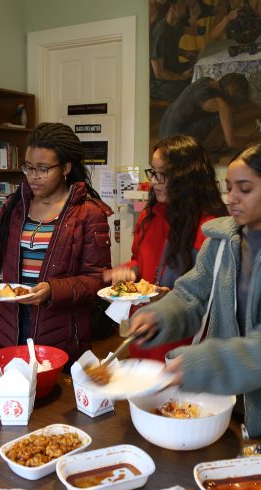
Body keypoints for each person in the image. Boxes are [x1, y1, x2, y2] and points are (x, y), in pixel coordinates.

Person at [129, 143, 261, 436]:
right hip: (224, 403)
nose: (232, 199)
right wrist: (159, 316)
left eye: (245, 189)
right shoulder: (222, 240)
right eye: (229, 187)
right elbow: (191, 295)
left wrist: (202, 364)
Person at [0, 122, 112, 363]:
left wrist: (52, 290)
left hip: (59, 332)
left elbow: (96, 280)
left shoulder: (88, 213)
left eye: (43, 169)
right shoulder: (16, 205)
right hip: (9, 327)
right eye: (29, 167)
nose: (33, 177)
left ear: (65, 167)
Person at [105, 135, 227, 360]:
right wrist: (130, 270)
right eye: (153, 172)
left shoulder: (211, 228)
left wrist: (170, 299)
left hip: (184, 345)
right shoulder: (149, 216)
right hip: (143, 334)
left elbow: (214, 298)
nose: (154, 181)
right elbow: (139, 260)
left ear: (186, 178)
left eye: (163, 175)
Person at [160, 73, 261, 154]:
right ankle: (205, 148)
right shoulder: (221, 104)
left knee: (221, 118)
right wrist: (254, 137)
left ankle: (206, 144)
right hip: (176, 140)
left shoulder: (207, 80)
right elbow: (232, 142)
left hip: (165, 128)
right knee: (222, 119)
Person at [150, 0, 196, 101]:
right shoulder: (160, 33)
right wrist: (182, 77)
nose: (186, 7)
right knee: (192, 91)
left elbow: (168, 49)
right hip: (160, 84)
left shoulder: (173, 27)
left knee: (196, 69)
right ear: (174, 8)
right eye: (183, 4)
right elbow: (159, 73)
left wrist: (186, 53)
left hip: (173, 70)